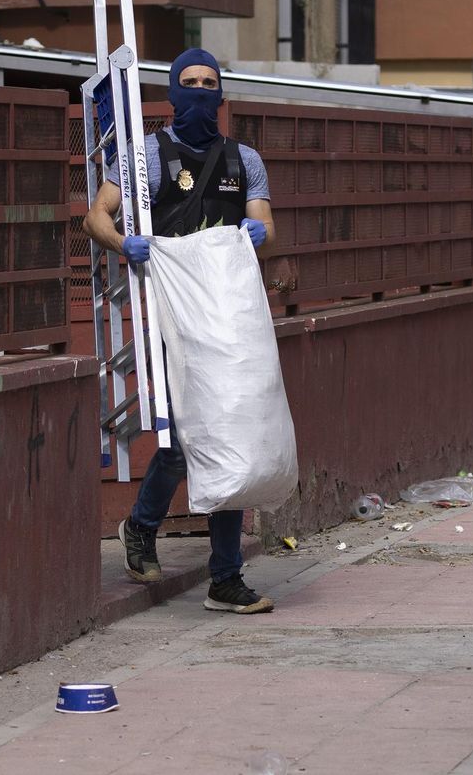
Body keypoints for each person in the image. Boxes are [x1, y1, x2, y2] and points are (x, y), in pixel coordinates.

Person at [83, 48, 279, 614]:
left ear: (221, 94)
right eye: (188, 82)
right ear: (172, 93)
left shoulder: (244, 160)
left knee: (229, 437)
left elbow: (267, 222)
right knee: (177, 440)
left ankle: (225, 578)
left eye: (208, 83)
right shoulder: (147, 155)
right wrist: (125, 243)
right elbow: (95, 216)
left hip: (228, 315)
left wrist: (258, 232)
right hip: (169, 309)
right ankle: (141, 527)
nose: (198, 90)